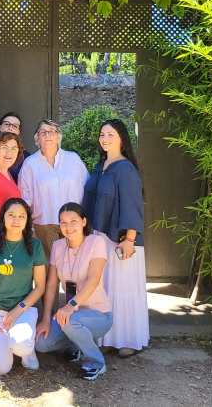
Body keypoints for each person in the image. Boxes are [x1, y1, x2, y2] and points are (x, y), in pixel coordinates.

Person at [81, 118, 149, 358]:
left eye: (110, 134)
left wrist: (129, 239)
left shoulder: (125, 169)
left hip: (121, 241)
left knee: (124, 291)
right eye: (102, 134)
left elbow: (133, 205)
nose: (105, 138)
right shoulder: (100, 167)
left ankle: (128, 339)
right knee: (105, 291)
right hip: (100, 238)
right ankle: (108, 338)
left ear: (122, 138)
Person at [35, 203, 113, 381]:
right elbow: (51, 285)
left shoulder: (96, 242)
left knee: (70, 320)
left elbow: (93, 281)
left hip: (99, 315)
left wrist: (70, 306)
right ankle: (75, 346)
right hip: (70, 317)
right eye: (63, 223)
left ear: (84, 221)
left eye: (73, 221)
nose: (68, 227)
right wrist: (46, 318)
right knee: (41, 343)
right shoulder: (58, 246)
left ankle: (96, 362)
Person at [0, 198, 47, 375]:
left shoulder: (35, 246)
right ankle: (8, 343)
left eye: (22, 216)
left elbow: (40, 286)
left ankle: (26, 351)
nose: (16, 220)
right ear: (3, 218)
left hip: (23, 310)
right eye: (11, 215)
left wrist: (17, 311)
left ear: (27, 221)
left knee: (20, 345)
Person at [18, 119, 88, 258]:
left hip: (73, 224)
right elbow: (25, 198)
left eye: (52, 132)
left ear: (58, 136)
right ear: (37, 138)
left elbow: (87, 189)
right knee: (49, 271)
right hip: (44, 225)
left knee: (75, 267)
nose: (48, 135)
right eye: (43, 132)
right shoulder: (30, 164)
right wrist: (28, 227)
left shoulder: (73, 159)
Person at [0, 112, 30, 181]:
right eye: (7, 124)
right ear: (0, 127)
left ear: (19, 131)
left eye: (15, 126)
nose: (10, 128)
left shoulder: (26, 158)